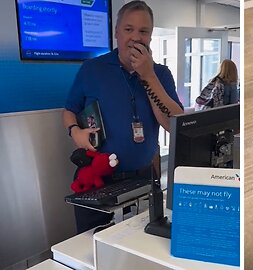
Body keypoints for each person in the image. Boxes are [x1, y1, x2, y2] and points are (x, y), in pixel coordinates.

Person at [63, 0, 183, 233]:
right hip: (98, 178)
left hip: (143, 178)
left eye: (143, 31)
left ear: (150, 36)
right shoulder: (92, 69)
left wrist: (148, 76)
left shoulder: (160, 73)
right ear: (117, 33)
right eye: (128, 29)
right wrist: (74, 131)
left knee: (142, 246)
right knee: (93, 246)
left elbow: (173, 124)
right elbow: (69, 109)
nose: (136, 37)